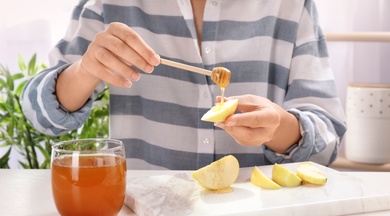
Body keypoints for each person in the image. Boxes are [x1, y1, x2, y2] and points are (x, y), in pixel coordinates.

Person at [21, 0, 346, 170]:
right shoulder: (110, 3)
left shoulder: (292, 5)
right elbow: (39, 116)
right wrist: (86, 70)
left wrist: (278, 128)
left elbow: (327, 143)